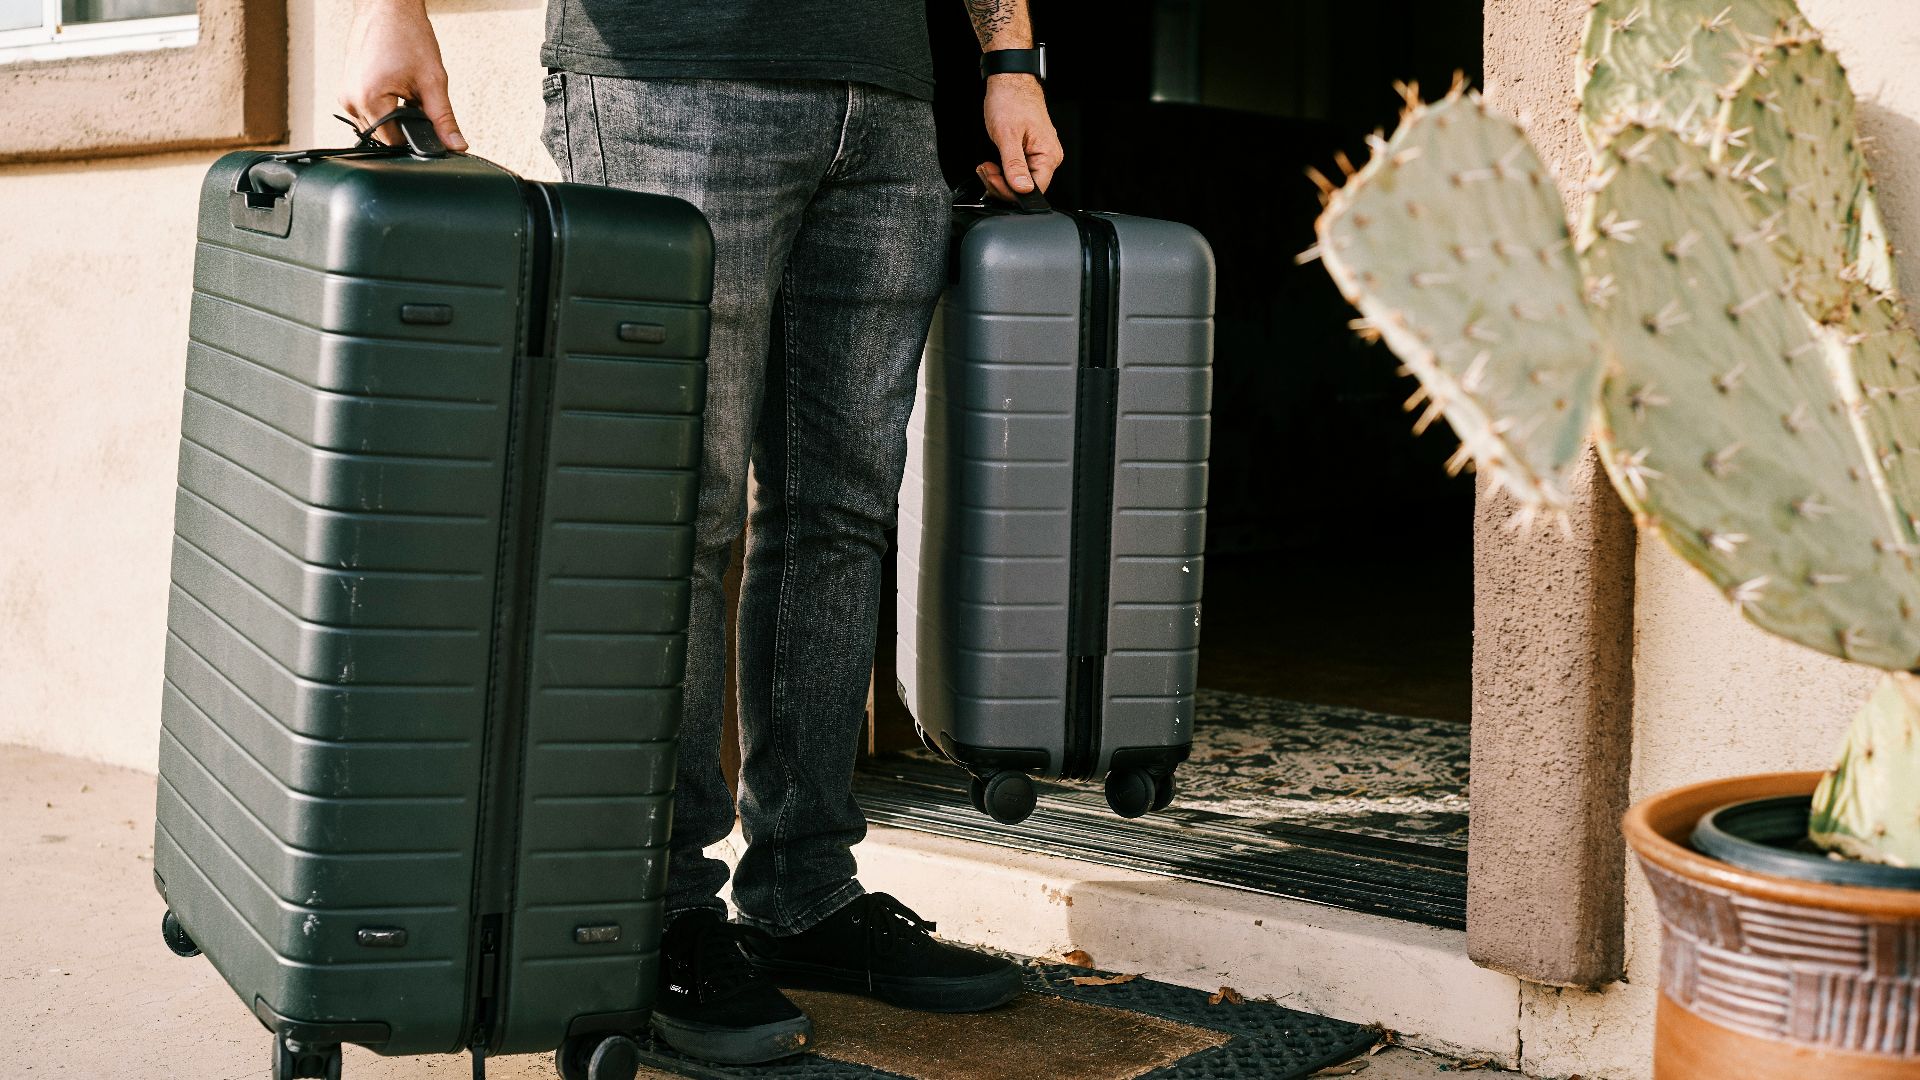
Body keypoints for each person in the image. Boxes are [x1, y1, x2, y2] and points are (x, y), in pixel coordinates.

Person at [339, 0, 1064, 1065]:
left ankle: (804, 890)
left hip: (886, 101)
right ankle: (652, 916)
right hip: (666, 84)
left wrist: (1010, 59)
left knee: (842, 512)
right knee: (676, 513)